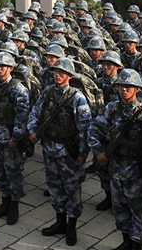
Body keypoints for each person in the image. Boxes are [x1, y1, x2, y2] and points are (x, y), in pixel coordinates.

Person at [89, 68, 142, 250]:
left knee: (139, 211)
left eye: (129, 86)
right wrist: (99, 151)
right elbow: (95, 128)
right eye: (121, 86)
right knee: (119, 209)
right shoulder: (111, 109)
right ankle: (126, 241)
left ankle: (136, 245)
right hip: (116, 168)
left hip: (138, 172)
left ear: (137, 89)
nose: (124, 89)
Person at [28, 57, 91, 244]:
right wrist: (32, 131)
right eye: (56, 71)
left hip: (68, 153)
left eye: (62, 72)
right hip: (49, 149)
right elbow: (35, 112)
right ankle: (59, 221)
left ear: (69, 76)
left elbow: (85, 128)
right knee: (54, 188)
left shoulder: (77, 97)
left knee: (72, 190)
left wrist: (82, 154)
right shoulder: (47, 92)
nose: (58, 75)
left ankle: (71, 226)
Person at [0, 52, 30, 226]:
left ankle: (14, 207)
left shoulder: (19, 89)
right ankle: (5, 202)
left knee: (13, 173)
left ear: (10, 68)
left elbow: (22, 115)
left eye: (3, 66)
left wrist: (16, 137)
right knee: (0, 173)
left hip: (9, 139)